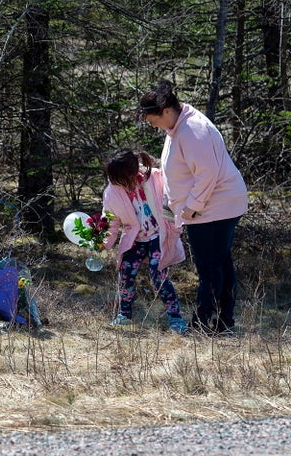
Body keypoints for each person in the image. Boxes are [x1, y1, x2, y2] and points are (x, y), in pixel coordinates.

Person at [139, 79, 248, 335]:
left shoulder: (193, 129)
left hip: (214, 208)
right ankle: (223, 322)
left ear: (166, 110)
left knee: (210, 268)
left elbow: (207, 174)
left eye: (151, 117)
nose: (150, 123)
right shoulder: (178, 126)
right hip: (210, 207)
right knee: (219, 264)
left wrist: (191, 208)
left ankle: (203, 324)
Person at [102, 148, 188, 333]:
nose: (125, 184)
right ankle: (124, 315)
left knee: (158, 274)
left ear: (134, 171)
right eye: (119, 181)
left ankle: (175, 318)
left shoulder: (155, 178)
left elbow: (172, 201)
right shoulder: (112, 192)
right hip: (135, 238)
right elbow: (111, 221)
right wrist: (104, 242)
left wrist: (176, 226)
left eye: (127, 178)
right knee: (126, 273)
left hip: (159, 233)